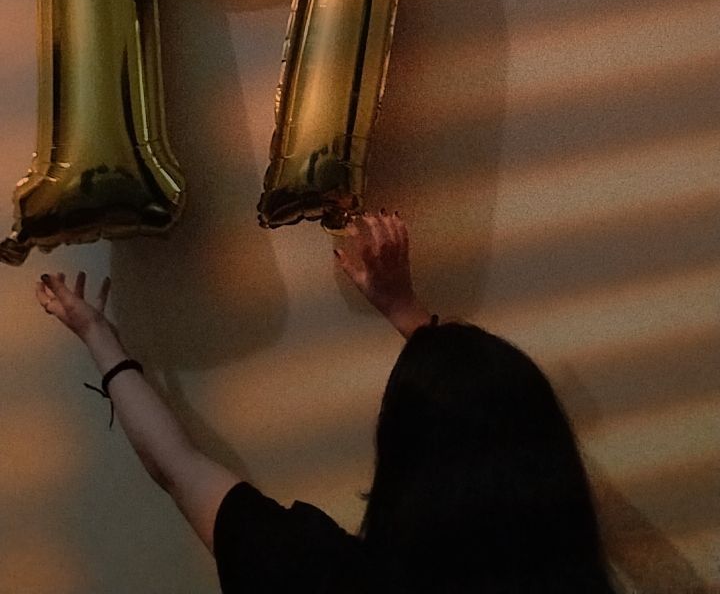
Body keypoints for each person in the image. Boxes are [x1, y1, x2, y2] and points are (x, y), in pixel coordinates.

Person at [35, 209, 616, 593]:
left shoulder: (316, 576)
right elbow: (483, 422)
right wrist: (405, 312)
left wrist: (98, 337)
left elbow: (178, 468)